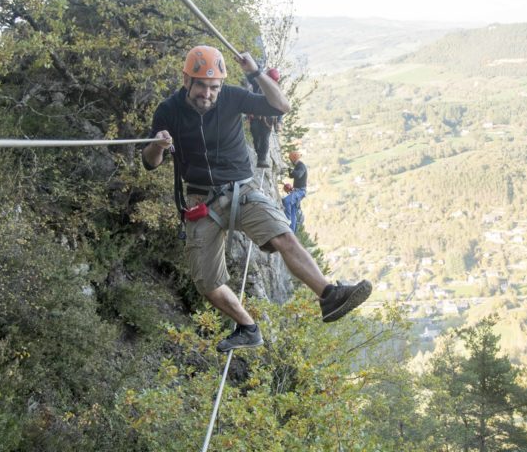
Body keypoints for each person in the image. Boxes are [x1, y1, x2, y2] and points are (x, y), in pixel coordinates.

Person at [142, 45, 372, 353]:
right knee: (207, 283)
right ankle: (247, 327)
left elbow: (280, 107)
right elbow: (149, 162)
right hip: (200, 201)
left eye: (214, 87)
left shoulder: (232, 97)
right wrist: (158, 145)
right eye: (201, 86)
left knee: (284, 236)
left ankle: (329, 296)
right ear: (187, 80)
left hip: (242, 189)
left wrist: (256, 72)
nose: (208, 94)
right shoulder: (168, 111)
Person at [247, 68, 281, 168]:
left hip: (268, 119)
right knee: (256, 136)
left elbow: (280, 107)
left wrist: (279, 121)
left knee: (265, 138)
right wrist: (254, 70)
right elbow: (250, 78)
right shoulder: (259, 84)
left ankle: (262, 159)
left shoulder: (276, 90)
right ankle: (259, 153)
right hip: (256, 116)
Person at [282, 151, 307, 232]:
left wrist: (292, 171)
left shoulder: (301, 166)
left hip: (300, 191)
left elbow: (298, 175)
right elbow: (292, 175)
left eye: (290, 160)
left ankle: (287, 220)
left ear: (293, 159)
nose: (290, 161)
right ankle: (291, 232)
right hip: (297, 191)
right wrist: (290, 170)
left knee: (286, 201)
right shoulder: (297, 166)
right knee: (293, 211)